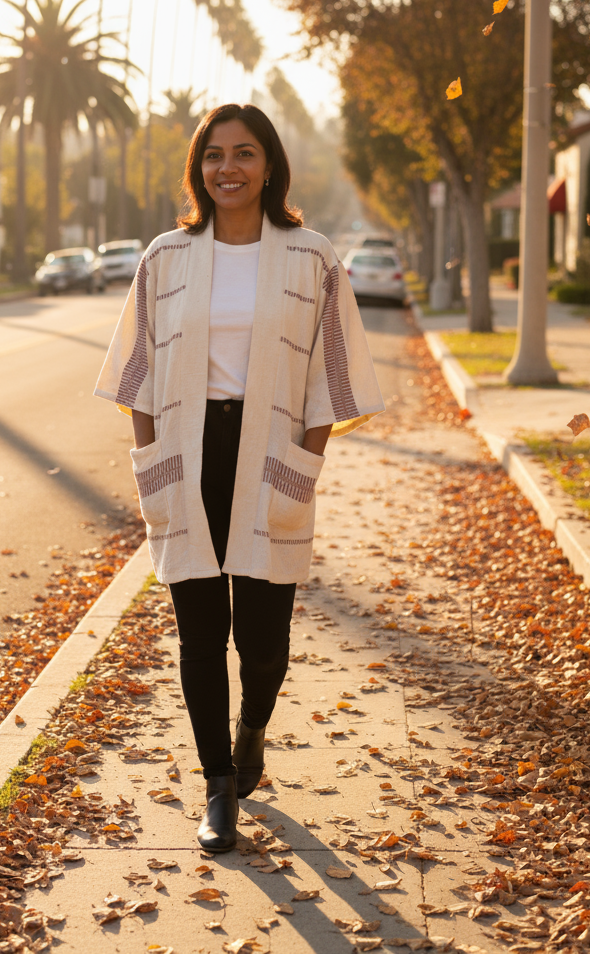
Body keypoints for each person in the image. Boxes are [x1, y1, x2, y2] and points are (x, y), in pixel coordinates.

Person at [95, 102, 383, 852]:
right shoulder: (165, 256)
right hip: (188, 452)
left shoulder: (310, 256)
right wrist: (152, 460)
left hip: (270, 453)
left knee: (263, 642)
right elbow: (138, 372)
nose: (228, 167)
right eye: (215, 154)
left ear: (270, 165)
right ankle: (217, 784)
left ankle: (252, 728)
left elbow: (334, 374)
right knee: (199, 632)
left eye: (244, 153)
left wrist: (306, 463)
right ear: (199, 167)